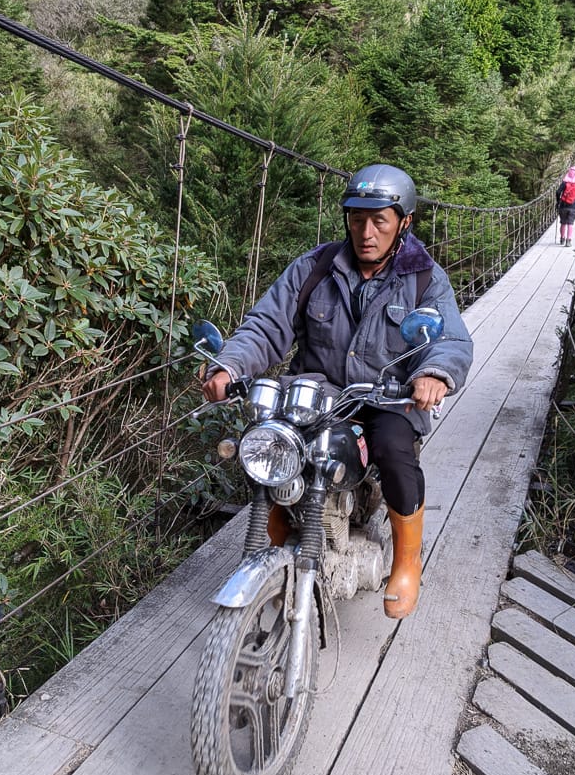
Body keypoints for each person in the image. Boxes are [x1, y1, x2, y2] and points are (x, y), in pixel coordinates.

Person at [202, 163, 473, 619]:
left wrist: (434, 375)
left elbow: (450, 340)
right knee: (267, 441)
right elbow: (267, 325)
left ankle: (407, 561)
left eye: (379, 220)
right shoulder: (315, 267)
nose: (366, 232)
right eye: (356, 218)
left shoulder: (424, 277)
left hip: (389, 395)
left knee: (394, 449)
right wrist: (229, 362)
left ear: (403, 221)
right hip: (318, 393)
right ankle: (272, 551)